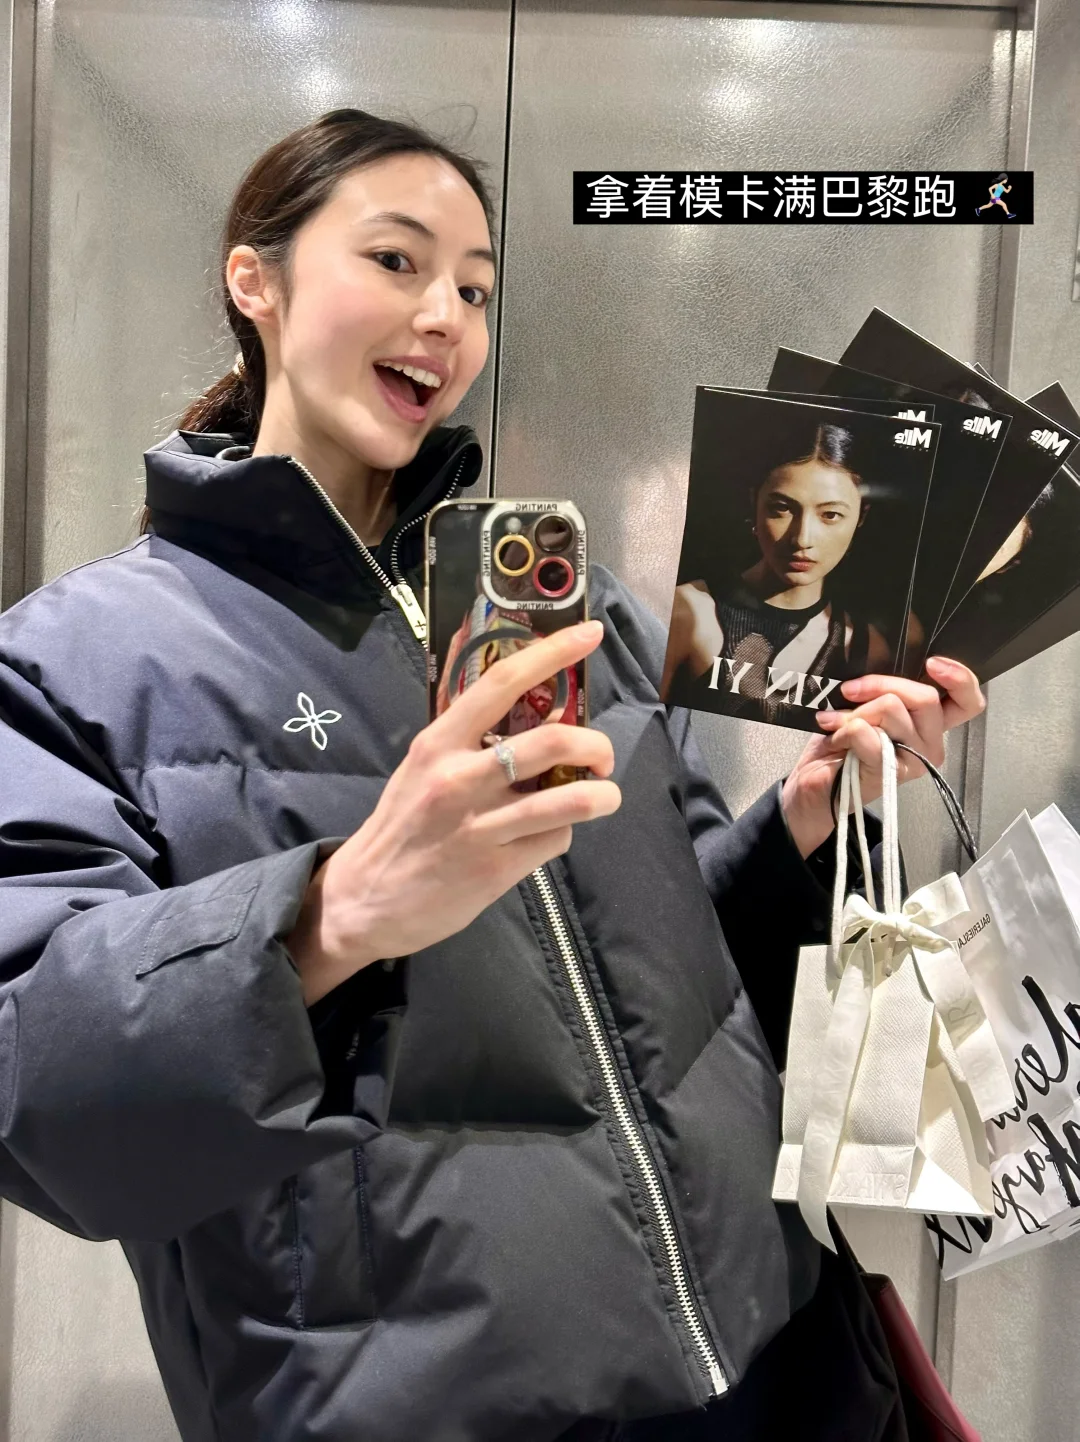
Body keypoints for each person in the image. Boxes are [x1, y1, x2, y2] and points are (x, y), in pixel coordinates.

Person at [0, 109, 983, 1441]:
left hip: (780, 1360)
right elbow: (35, 1090)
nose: (446, 316)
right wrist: (336, 911)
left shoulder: (582, 611)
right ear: (256, 281)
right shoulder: (74, 660)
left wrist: (804, 820)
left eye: (473, 287)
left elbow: (676, 966)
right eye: (397, 260)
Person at [661, 422, 905, 725]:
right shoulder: (689, 611)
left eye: (830, 515)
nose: (802, 539)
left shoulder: (866, 649)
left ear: (860, 517)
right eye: (782, 508)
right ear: (755, 503)